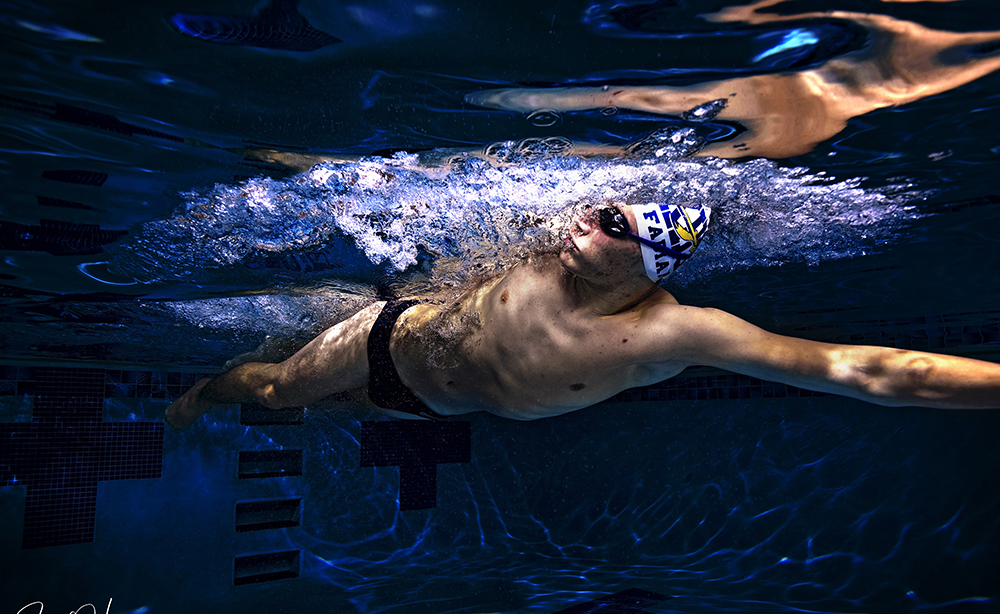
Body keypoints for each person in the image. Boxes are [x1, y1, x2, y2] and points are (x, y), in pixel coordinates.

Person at [165, 201, 1000, 429]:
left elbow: (868, 369)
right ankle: (206, 391)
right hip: (387, 337)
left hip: (426, 404)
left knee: (332, 417)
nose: (580, 221)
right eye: (596, 208)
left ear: (649, 260)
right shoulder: (543, 241)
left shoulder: (670, 330)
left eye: (609, 224)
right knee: (278, 393)